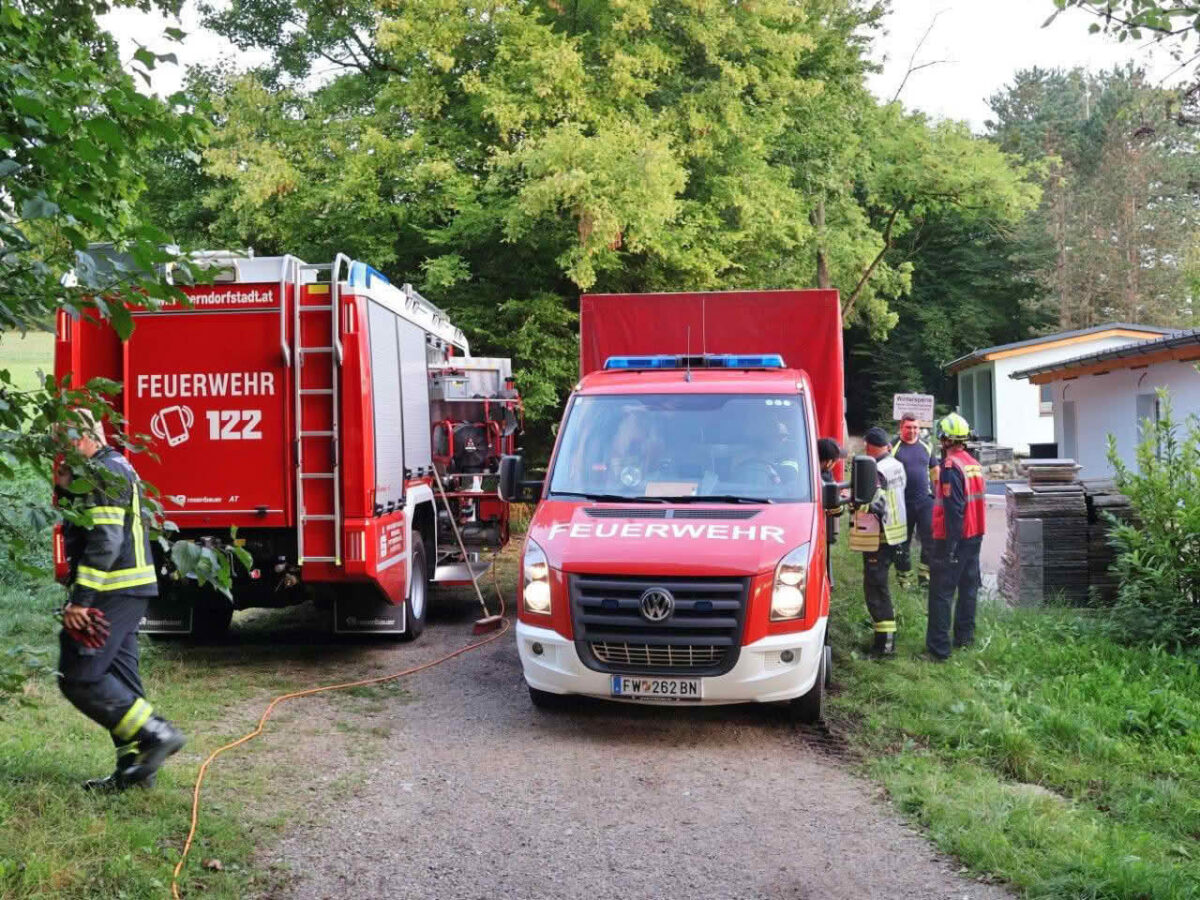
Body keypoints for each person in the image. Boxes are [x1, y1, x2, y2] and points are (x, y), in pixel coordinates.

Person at [56, 410, 186, 791]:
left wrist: (81, 601)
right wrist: (68, 488)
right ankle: (135, 772)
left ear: (81, 439)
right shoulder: (113, 466)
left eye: (63, 446)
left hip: (113, 590)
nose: (61, 456)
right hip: (128, 589)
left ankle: (157, 733)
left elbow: (106, 540)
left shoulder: (103, 471)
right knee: (122, 680)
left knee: (79, 675)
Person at [926, 412, 987, 662]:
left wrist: (950, 547)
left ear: (946, 440)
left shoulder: (951, 468)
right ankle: (964, 638)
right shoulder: (973, 463)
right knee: (968, 589)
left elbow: (954, 509)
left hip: (954, 538)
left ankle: (938, 650)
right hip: (974, 535)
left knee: (941, 593)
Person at [853, 427, 907, 657]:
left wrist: (854, 503)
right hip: (895, 534)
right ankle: (885, 642)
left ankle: (884, 647)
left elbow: (876, 504)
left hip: (880, 537)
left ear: (869, 445)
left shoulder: (877, 470)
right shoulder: (896, 465)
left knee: (876, 590)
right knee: (880, 588)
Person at [890, 413, 939, 589]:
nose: (912, 431)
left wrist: (938, 495)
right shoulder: (893, 447)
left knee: (930, 540)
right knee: (902, 543)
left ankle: (925, 577)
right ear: (901, 427)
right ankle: (904, 580)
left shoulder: (926, 446)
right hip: (902, 503)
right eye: (908, 427)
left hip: (926, 501)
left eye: (916, 427)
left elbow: (935, 470)